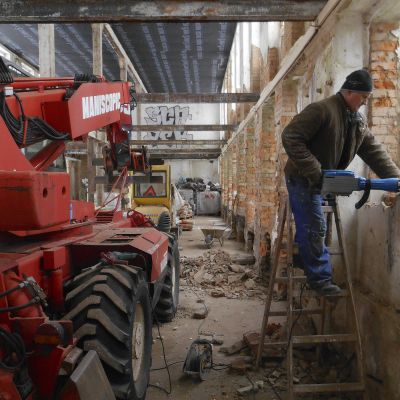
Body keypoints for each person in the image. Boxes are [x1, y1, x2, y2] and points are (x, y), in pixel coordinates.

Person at [282, 69, 400, 296]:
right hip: (302, 177)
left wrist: (396, 178)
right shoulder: (322, 110)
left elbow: (374, 152)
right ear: (349, 91)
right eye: (363, 97)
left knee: (314, 225)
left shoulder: (356, 120)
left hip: (326, 179)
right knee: (315, 226)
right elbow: (290, 136)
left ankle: (302, 257)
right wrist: (316, 172)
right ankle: (320, 280)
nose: (365, 103)